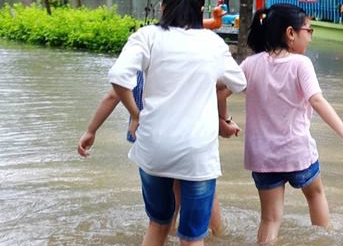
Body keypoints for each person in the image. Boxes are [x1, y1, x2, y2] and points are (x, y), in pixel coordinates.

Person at [107, 0, 247, 246]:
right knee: (192, 239)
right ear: (201, 11)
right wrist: (213, 97)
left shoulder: (147, 36)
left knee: (157, 226)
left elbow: (119, 78)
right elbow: (238, 83)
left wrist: (135, 113)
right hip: (197, 152)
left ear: (162, 8)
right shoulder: (212, 43)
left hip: (154, 147)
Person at [222, 3, 343, 245]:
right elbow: (317, 100)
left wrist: (223, 120)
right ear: (291, 33)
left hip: (262, 157)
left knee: (269, 220)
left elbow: (219, 92)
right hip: (296, 153)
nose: (310, 38)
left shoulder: (250, 65)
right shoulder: (301, 64)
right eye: (309, 31)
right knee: (315, 195)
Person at [77, 73, 238, 235]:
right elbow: (222, 86)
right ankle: (217, 237)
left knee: (166, 201)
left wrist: (91, 130)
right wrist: (224, 119)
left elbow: (112, 96)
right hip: (186, 136)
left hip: (152, 142)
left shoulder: (139, 63)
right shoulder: (181, 61)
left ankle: (166, 239)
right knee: (202, 188)